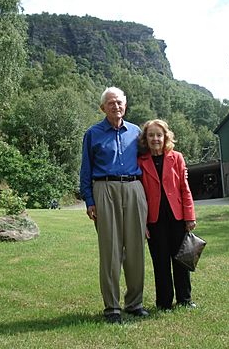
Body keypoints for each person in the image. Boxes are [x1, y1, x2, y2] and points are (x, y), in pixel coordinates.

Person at [80, 87, 149, 324]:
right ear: (103, 108)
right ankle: (112, 307)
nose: (115, 106)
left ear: (125, 105)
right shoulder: (93, 133)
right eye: (110, 103)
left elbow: (149, 162)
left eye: (119, 102)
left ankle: (134, 303)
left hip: (133, 188)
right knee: (110, 250)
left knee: (136, 248)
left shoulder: (137, 132)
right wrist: (89, 200)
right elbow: (85, 170)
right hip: (104, 188)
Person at [138, 119, 197, 311]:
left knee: (181, 260)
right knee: (160, 262)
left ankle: (185, 300)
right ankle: (163, 303)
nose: (155, 138)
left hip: (177, 218)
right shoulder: (141, 161)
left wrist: (190, 216)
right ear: (146, 139)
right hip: (154, 220)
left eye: (159, 135)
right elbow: (140, 196)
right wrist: (143, 223)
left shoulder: (177, 157)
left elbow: (184, 189)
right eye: (151, 135)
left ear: (165, 137)